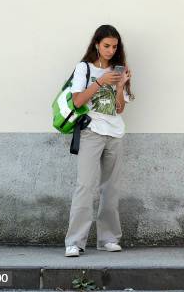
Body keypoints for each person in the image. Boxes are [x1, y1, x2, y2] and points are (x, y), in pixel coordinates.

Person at [64, 25, 134, 257]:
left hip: (114, 134)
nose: (110, 50)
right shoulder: (84, 68)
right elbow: (77, 101)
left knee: (110, 188)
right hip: (91, 132)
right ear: (96, 44)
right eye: (106, 45)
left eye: (114, 47)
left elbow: (119, 109)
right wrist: (101, 82)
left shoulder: (117, 70)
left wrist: (121, 84)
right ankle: (74, 242)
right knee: (85, 186)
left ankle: (108, 238)